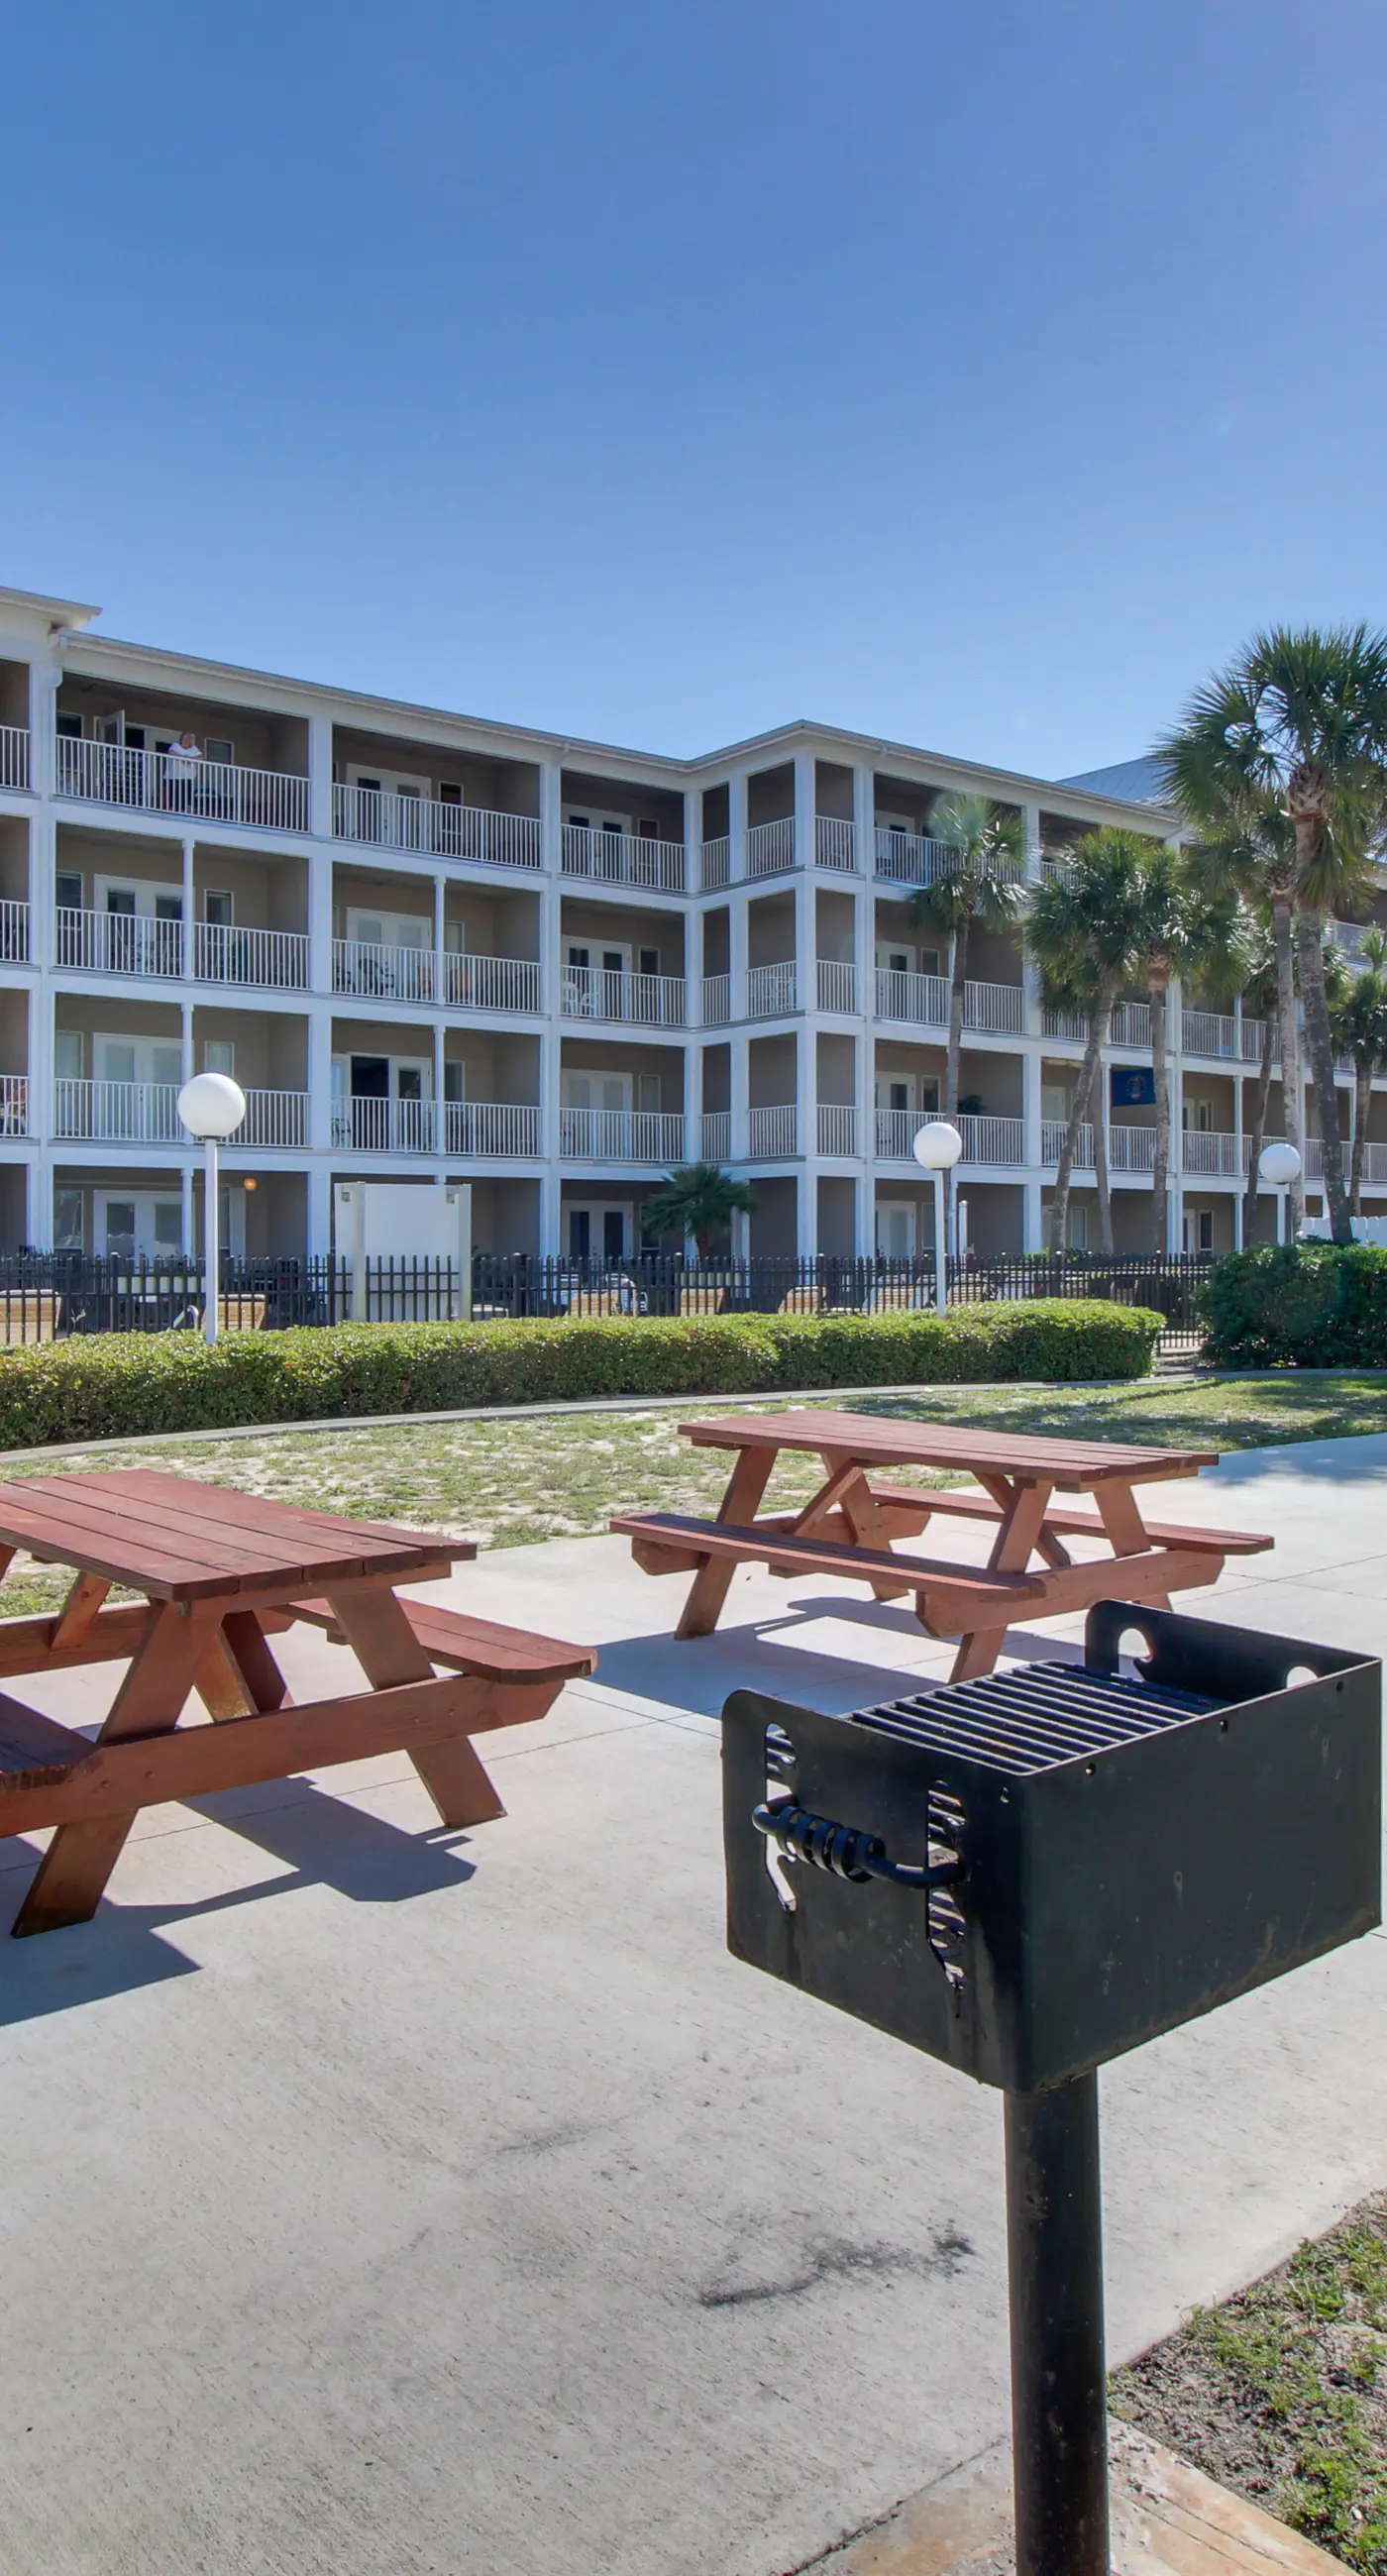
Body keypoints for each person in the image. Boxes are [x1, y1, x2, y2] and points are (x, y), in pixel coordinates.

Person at [163, 728, 203, 810]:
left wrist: (190, 760)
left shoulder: (193, 749)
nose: (186, 740)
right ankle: (173, 808)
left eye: (188, 739)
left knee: (186, 794)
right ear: (181, 739)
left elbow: (201, 757)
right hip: (174, 775)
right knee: (174, 793)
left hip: (187, 776)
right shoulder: (175, 745)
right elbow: (171, 752)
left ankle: (185, 809)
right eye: (184, 738)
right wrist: (182, 759)